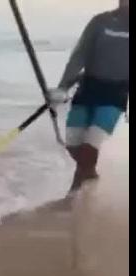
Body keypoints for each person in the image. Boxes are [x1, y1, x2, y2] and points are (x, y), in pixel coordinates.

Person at [48, 0, 129, 194]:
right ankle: (90, 173)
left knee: (91, 144)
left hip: (116, 93)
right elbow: (79, 55)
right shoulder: (100, 21)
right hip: (88, 88)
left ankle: (73, 194)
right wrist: (62, 87)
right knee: (73, 144)